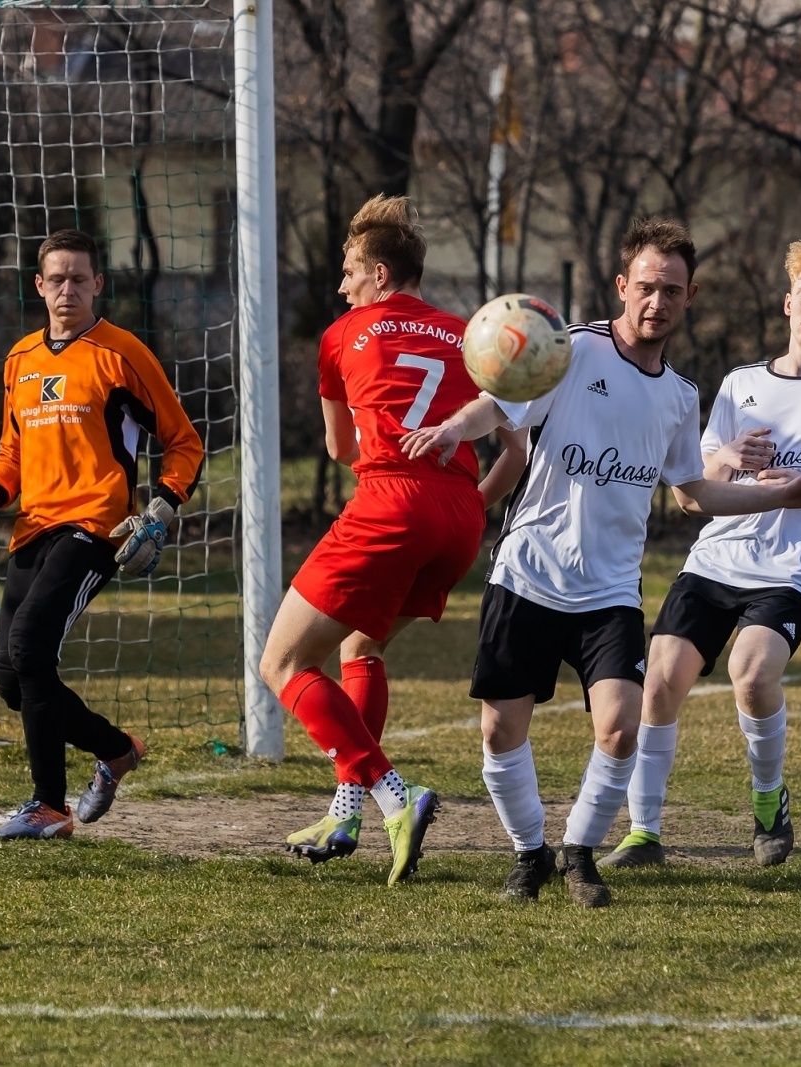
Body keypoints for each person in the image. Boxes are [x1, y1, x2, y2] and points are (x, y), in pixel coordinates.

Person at [401, 218, 801, 907]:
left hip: (608, 590)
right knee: (499, 728)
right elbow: (497, 404)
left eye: (673, 291)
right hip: (531, 572)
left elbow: (694, 491)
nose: (657, 302)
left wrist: (776, 492)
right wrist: (452, 428)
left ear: (688, 300)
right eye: (648, 287)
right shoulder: (569, 351)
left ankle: (578, 852)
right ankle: (528, 851)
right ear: (623, 286)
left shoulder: (679, 397)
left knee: (622, 725)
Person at [600, 242, 801, 872]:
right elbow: (699, 480)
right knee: (659, 683)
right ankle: (644, 834)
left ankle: (769, 804)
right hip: (715, 560)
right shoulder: (740, 384)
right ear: (788, 303)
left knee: (753, 674)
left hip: (789, 570)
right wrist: (731, 456)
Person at [260, 194, 507, 887]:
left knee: (280, 664)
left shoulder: (342, 335)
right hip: (459, 513)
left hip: (391, 499)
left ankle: (395, 795)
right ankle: (344, 809)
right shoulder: (466, 333)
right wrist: (460, 503)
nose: (341, 284)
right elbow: (510, 441)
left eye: (347, 271)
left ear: (376, 275)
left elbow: (341, 446)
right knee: (358, 647)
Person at [0, 228, 203, 840]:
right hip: (32, 530)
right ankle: (114, 749)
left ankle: (48, 806)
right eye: (56, 278)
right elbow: (11, 455)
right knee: (12, 680)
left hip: (95, 528)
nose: (67, 289)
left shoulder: (122, 353)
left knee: (32, 648)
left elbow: (184, 441)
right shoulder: (20, 359)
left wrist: (160, 511)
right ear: (39, 285)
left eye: (79, 278)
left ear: (98, 285)